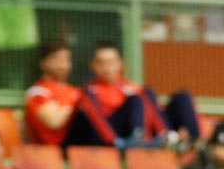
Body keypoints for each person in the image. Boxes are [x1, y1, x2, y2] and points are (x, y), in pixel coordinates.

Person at [72, 42, 201, 149]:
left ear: (120, 64)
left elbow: (155, 112)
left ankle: (191, 141)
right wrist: (114, 141)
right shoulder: (88, 90)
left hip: (151, 130)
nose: (107, 67)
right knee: (136, 98)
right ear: (93, 65)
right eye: (101, 63)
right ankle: (148, 139)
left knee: (182, 96)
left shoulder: (134, 87)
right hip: (115, 133)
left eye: (111, 62)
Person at [24, 40, 82, 148]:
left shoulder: (77, 92)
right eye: (57, 59)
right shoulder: (37, 92)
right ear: (43, 63)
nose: (63, 65)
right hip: (52, 149)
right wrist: (76, 109)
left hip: (80, 147)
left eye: (67, 60)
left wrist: (64, 110)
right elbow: (54, 122)